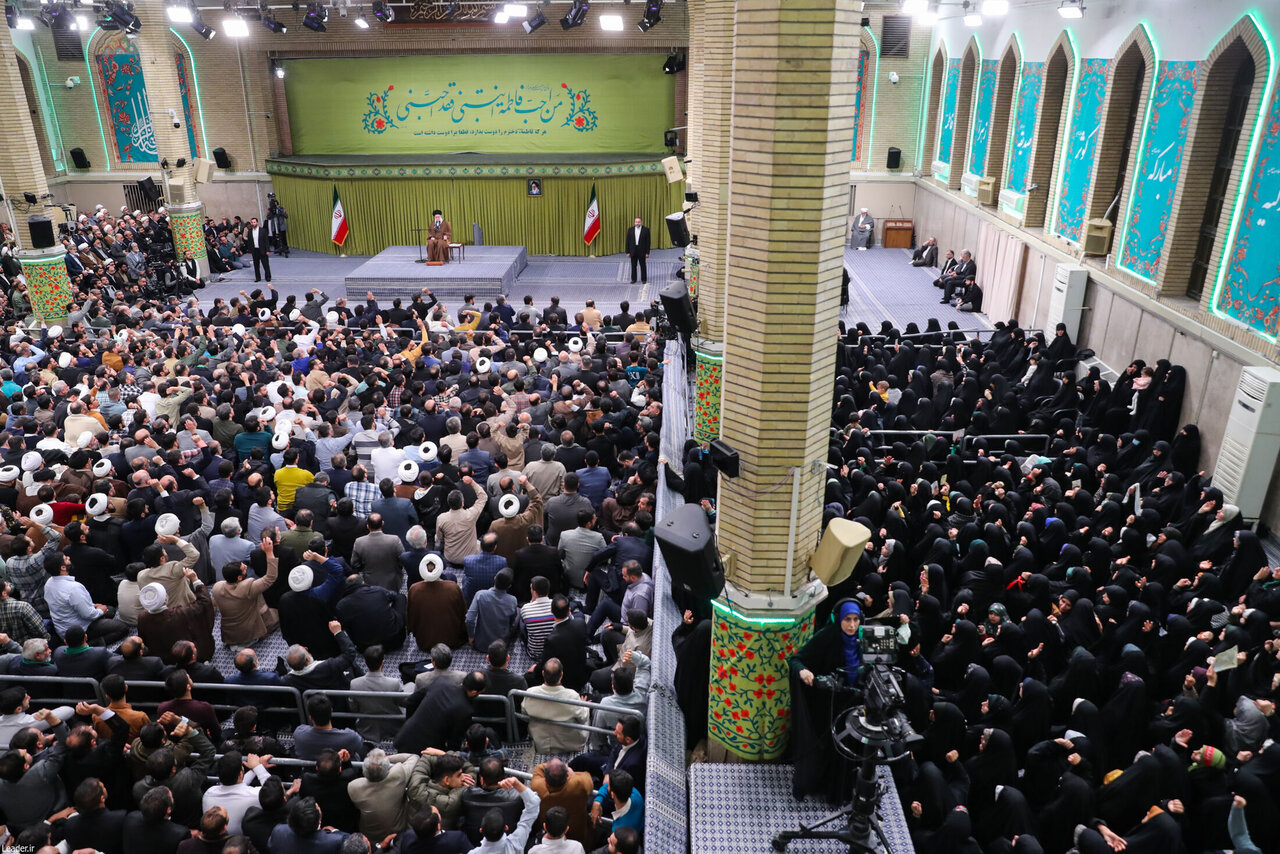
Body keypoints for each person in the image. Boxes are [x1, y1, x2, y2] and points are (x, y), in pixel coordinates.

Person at [244, 216, 272, 283]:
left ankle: (268, 277)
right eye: (252, 222)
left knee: (265, 264)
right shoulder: (250, 232)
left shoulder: (263, 230)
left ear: (257, 222)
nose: (253, 223)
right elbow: (250, 242)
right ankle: (258, 277)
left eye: (254, 222)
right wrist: (250, 251)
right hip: (255, 250)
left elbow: (266, 241)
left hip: (262, 249)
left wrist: (268, 250)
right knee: (256, 265)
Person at [624, 217, 650, 285]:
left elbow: (648, 242)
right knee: (633, 266)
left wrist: (647, 252)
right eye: (636, 222)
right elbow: (627, 241)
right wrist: (627, 252)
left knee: (643, 266)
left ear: (641, 222)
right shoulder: (630, 230)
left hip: (642, 251)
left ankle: (644, 279)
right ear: (634, 222)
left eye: (638, 222)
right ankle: (633, 279)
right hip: (633, 250)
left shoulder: (646, 230)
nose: (637, 223)